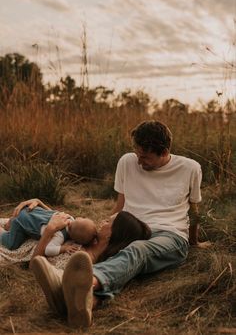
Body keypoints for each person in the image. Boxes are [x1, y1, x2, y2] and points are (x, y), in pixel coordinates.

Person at [30, 120, 211, 328]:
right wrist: (103, 232)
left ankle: (81, 283)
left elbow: (193, 210)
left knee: (137, 250)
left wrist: (194, 242)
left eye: (145, 157)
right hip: (128, 228)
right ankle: (87, 301)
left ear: (164, 151)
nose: (139, 162)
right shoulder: (127, 161)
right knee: (102, 254)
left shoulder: (190, 168)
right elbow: (120, 205)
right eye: (137, 154)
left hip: (169, 235)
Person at [0, 198, 97, 256]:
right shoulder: (60, 235)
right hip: (21, 222)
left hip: (31, 210)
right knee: (12, 245)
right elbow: (48, 250)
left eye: (81, 218)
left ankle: (11, 221)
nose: (79, 217)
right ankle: (1, 232)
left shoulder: (68, 217)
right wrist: (63, 248)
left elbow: (51, 212)